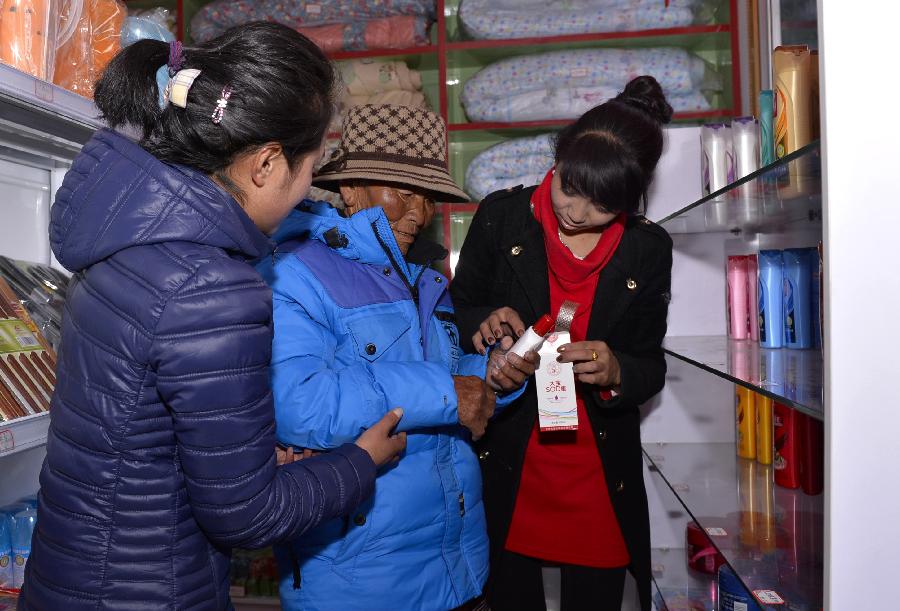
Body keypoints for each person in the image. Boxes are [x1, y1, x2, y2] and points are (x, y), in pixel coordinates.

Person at [19, 23, 406, 611]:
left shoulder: (127, 237)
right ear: (268, 163)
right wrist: (360, 462)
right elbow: (248, 518)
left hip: (70, 576)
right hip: (150, 591)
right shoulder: (212, 288)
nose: (309, 193)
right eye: (312, 169)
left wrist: (238, 455)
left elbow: (132, 425)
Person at [256, 104, 539, 611]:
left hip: (458, 568)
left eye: (428, 196)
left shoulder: (426, 280)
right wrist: (450, 393)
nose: (419, 211)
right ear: (350, 189)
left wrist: (494, 374)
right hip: (362, 583)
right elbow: (299, 404)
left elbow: (447, 378)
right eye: (403, 191)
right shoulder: (295, 273)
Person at [450, 76, 675, 611]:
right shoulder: (502, 217)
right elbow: (451, 312)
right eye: (568, 187)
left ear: (630, 197)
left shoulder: (646, 250)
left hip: (595, 473)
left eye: (599, 206)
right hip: (509, 461)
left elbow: (651, 363)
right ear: (558, 159)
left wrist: (617, 369)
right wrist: (484, 329)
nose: (575, 212)